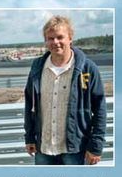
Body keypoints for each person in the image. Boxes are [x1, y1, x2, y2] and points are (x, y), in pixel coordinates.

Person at [24, 16, 106, 165]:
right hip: (44, 149)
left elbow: (100, 108)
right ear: (46, 41)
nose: (55, 42)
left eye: (60, 37)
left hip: (75, 149)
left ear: (70, 38)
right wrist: (29, 137)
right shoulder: (37, 68)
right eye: (50, 38)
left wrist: (96, 146)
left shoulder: (87, 69)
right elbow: (29, 104)